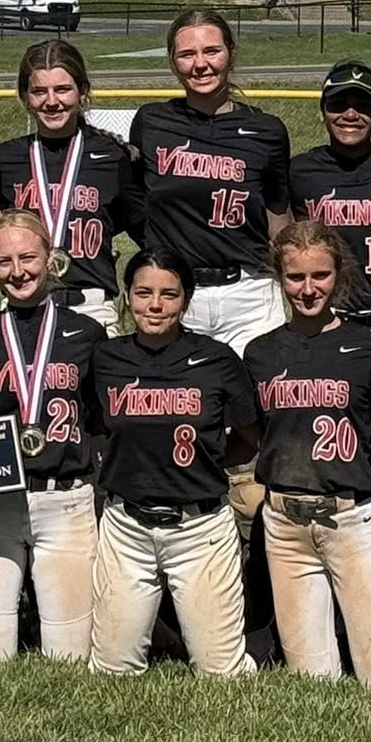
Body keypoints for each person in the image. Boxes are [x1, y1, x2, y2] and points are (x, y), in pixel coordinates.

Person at [243, 221, 371, 684]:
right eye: (295, 277)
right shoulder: (259, 354)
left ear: (338, 275)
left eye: (320, 275)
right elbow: (251, 439)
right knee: (312, 684)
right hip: (285, 526)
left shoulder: (369, 349)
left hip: (354, 520)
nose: (308, 289)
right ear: (279, 278)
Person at [87, 248, 258, 678]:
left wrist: (205, 465)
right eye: (144, 293)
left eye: (169, 294)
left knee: (221, 672)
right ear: (127, 296)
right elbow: (96, 427)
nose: (155, 305)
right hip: (127, 525)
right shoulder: (106, 359)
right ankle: (158, 630)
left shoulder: (218, 359)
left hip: (199, 526)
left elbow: (249, 437)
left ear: (186, 299)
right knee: (112, 670)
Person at [0, 212, 100, 662]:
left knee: (69, 659)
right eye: (4, 261)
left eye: (28, 258)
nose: (18, 271)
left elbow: (101, 422)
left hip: (64, 500)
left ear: (50, 258)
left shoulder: (86, 333)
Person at [128, 8, 292, 353]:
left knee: (257, 387)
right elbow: (136, 201)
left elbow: (278, 217)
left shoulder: (267, 131)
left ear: (230, 53)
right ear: (172, 62)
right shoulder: (152, 123)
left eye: (211, 51)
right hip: (176, 294)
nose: (200, 64)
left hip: (249, 296)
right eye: (187, 54)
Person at [288, 60, 371, 445]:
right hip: (325, 325)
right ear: (322, 110)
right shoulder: (300, 171)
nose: (350, 114)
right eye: (338, 104)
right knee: (326, 445)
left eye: (363, 105)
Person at [0, 39, 145, 332]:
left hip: (91, 309)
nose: (51, 101)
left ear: (82, 91)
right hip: (24, 307)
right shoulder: (8, 158)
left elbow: (143, 229)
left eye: (62, 89)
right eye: (39, 91)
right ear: (24, 96)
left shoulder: (112, 157)